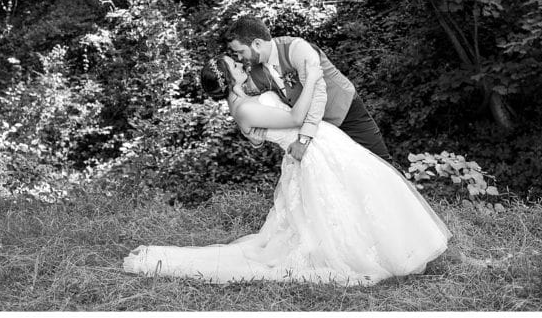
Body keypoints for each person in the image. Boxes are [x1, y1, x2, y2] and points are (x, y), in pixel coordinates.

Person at [122, 55, 451, 284]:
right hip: (313, 153)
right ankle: (371, 255)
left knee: (365, 194)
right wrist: (311, 78)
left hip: (320, 144)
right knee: (340, 208)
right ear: (227, 78)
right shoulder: (245, 109)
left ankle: (396, 248)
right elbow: (294, 119)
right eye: (234, 65)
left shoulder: (247, 96)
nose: (241, 64)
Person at [223, 16, 393, 164]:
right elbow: (246, 107)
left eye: (240, 52)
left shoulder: (297, 48)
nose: (239, 57)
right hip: (321, 132)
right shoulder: (256, 71)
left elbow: (318, 94)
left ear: (257, 44)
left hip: (344, 111)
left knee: (382, 163)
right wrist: (253, 138)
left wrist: (303, 140)